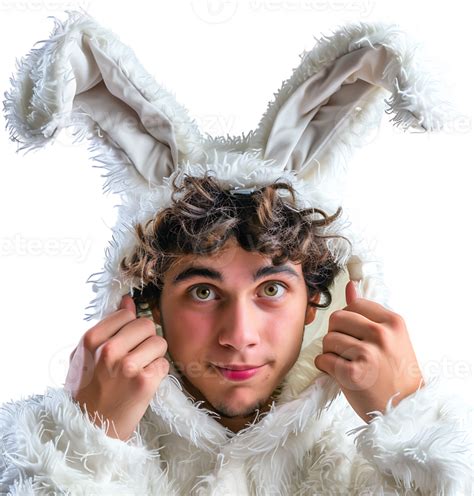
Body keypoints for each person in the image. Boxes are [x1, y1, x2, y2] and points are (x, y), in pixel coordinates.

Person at [1, 10, 472, 496]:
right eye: (203, 291)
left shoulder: (365, 468)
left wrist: (413, 419)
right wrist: (86, 443)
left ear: (316, 301)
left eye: (271, 288)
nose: (239, 336)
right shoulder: (34, 455)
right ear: (148, 304)